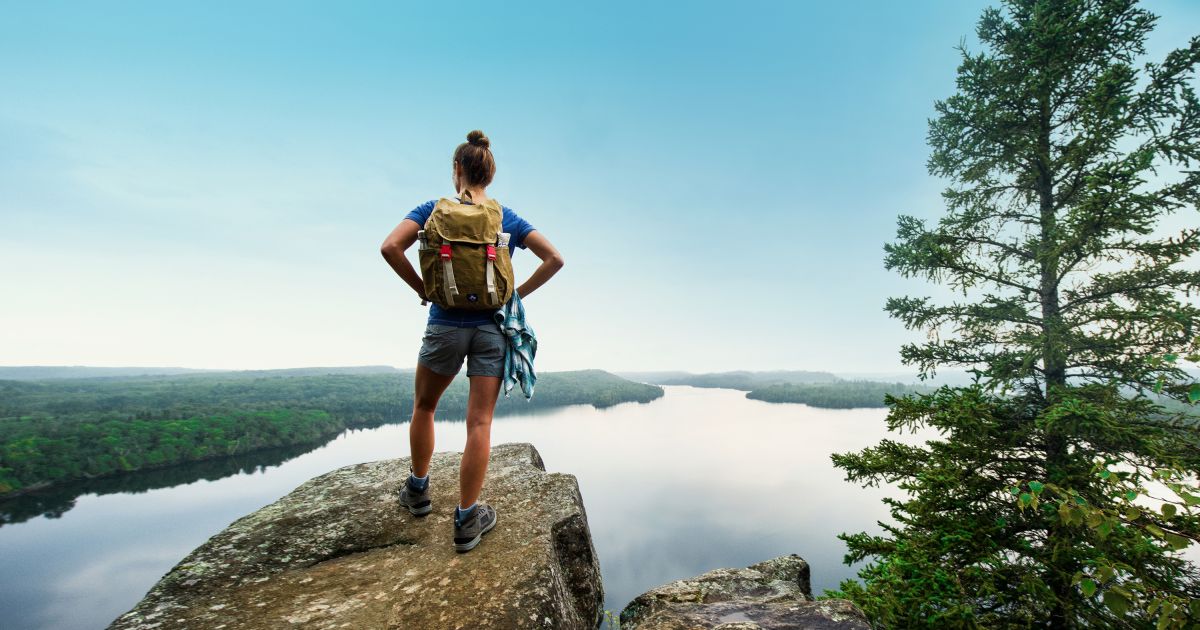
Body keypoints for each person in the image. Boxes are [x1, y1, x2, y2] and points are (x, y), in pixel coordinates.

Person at [379, 130, 564, 552]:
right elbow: (556, 258)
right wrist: (516, 294)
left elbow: (390, 247)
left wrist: (422, 288)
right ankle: (466, 520)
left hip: (444, 324)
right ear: (490, 175)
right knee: (479, 423)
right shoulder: (506, 218)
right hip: (491, 330)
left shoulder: (432, 210)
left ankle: (419, 492)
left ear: (457, 170)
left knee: (424, 406)